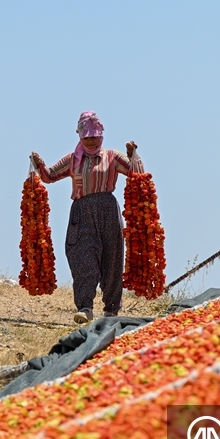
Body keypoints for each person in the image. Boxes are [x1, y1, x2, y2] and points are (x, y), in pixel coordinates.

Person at [32, 111, 143, 325]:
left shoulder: (112, 157)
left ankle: (111, 309)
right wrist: (39, 165)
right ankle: (85, 306)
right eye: (87, 137)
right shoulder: (72, 160)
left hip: (107, 210)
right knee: (82, 255)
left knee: (112, 258)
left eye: (94, 136)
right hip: (82, 213)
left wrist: (133, 156)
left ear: (101, 136)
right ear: (80, 136)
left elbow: (137, 174)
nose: (91, 140)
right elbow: (49, 176)